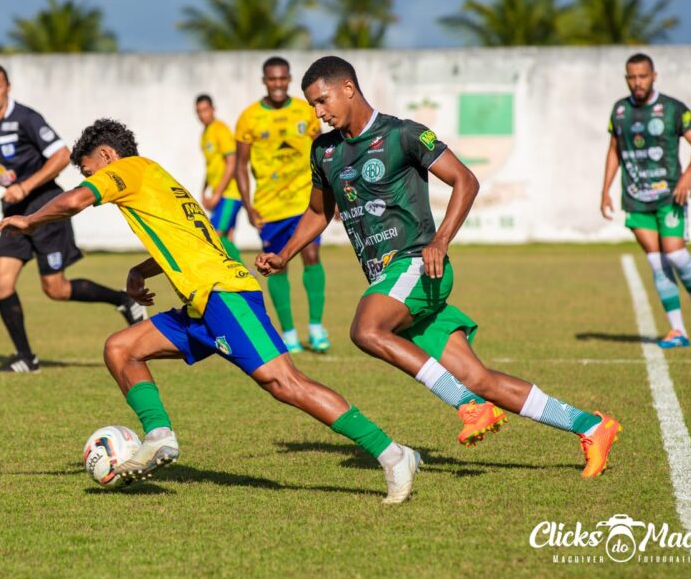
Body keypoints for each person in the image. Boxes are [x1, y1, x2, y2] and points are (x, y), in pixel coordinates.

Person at [0, 119, 421, 504]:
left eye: (90, 171)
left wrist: (30, 220)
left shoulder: (128, 170)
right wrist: (139, 270)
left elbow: (72, 203)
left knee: (286, 383)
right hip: (200, 305)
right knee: (121, 348)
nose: (90, 181)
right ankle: (159, 437)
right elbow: (190, 242)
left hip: (225, 295)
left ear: (106, 156)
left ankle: (393, 453)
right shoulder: (156, 180)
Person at [256, 56, 621, 478]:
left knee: (366, 330)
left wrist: (441, 239)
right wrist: (284, 254)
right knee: (479, 377)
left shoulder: (402, 134)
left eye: (322, 101)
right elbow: (319, 213)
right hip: (391, 283)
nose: (318, 113)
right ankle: (591, 425)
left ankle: (466, 405)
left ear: (348, 89)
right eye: (313, 106)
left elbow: (466, 180)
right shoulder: (325, 150)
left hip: (417, 264)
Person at [0, 62, 145, 373]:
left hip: (45, 208)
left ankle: (121, 299)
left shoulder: (27, 118)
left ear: (7, 86)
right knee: (0, 280)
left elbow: (62, 155)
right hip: (13, 215)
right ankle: (26, 357)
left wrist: (25, 186)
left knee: (56, 289)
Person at [600, 52, 691, 349]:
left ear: (654, 76)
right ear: (627, 78)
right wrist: (605, 189)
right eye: (632, 77)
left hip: (669, 196)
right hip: (636, 199)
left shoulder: (674, 110)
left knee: (675, 255)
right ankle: (678, 330)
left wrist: (688, 173)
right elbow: (614, 150)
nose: (637, 83)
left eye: (642, 76)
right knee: (656, 261)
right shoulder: (620, 111)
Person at [234, 57, 329, 353]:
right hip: (270, 206)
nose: (277, 84)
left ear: (289, 80)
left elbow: (326, 153)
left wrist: (332, 195)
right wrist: (248, 206)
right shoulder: (249, 117)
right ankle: (288, 333)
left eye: (282, 79)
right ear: (264, 81)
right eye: (272, 79)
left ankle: (315, 328)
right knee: (277, 266)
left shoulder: (306, 111)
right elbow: (240, 165)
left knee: (312, 255)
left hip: (306, 199)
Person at [194, 94, 243, 262]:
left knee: (214, 235)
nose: (202, 115)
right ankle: (236, 278)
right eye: (199, 111)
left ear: (213, 109)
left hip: (230, 194)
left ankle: (244, 273)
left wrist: (217, 194)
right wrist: (204, 191)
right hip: (221, 194)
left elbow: (231, 162)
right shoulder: (205, 134)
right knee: (227, 238)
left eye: (205, 110)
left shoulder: (220, 129)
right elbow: (210, 166)